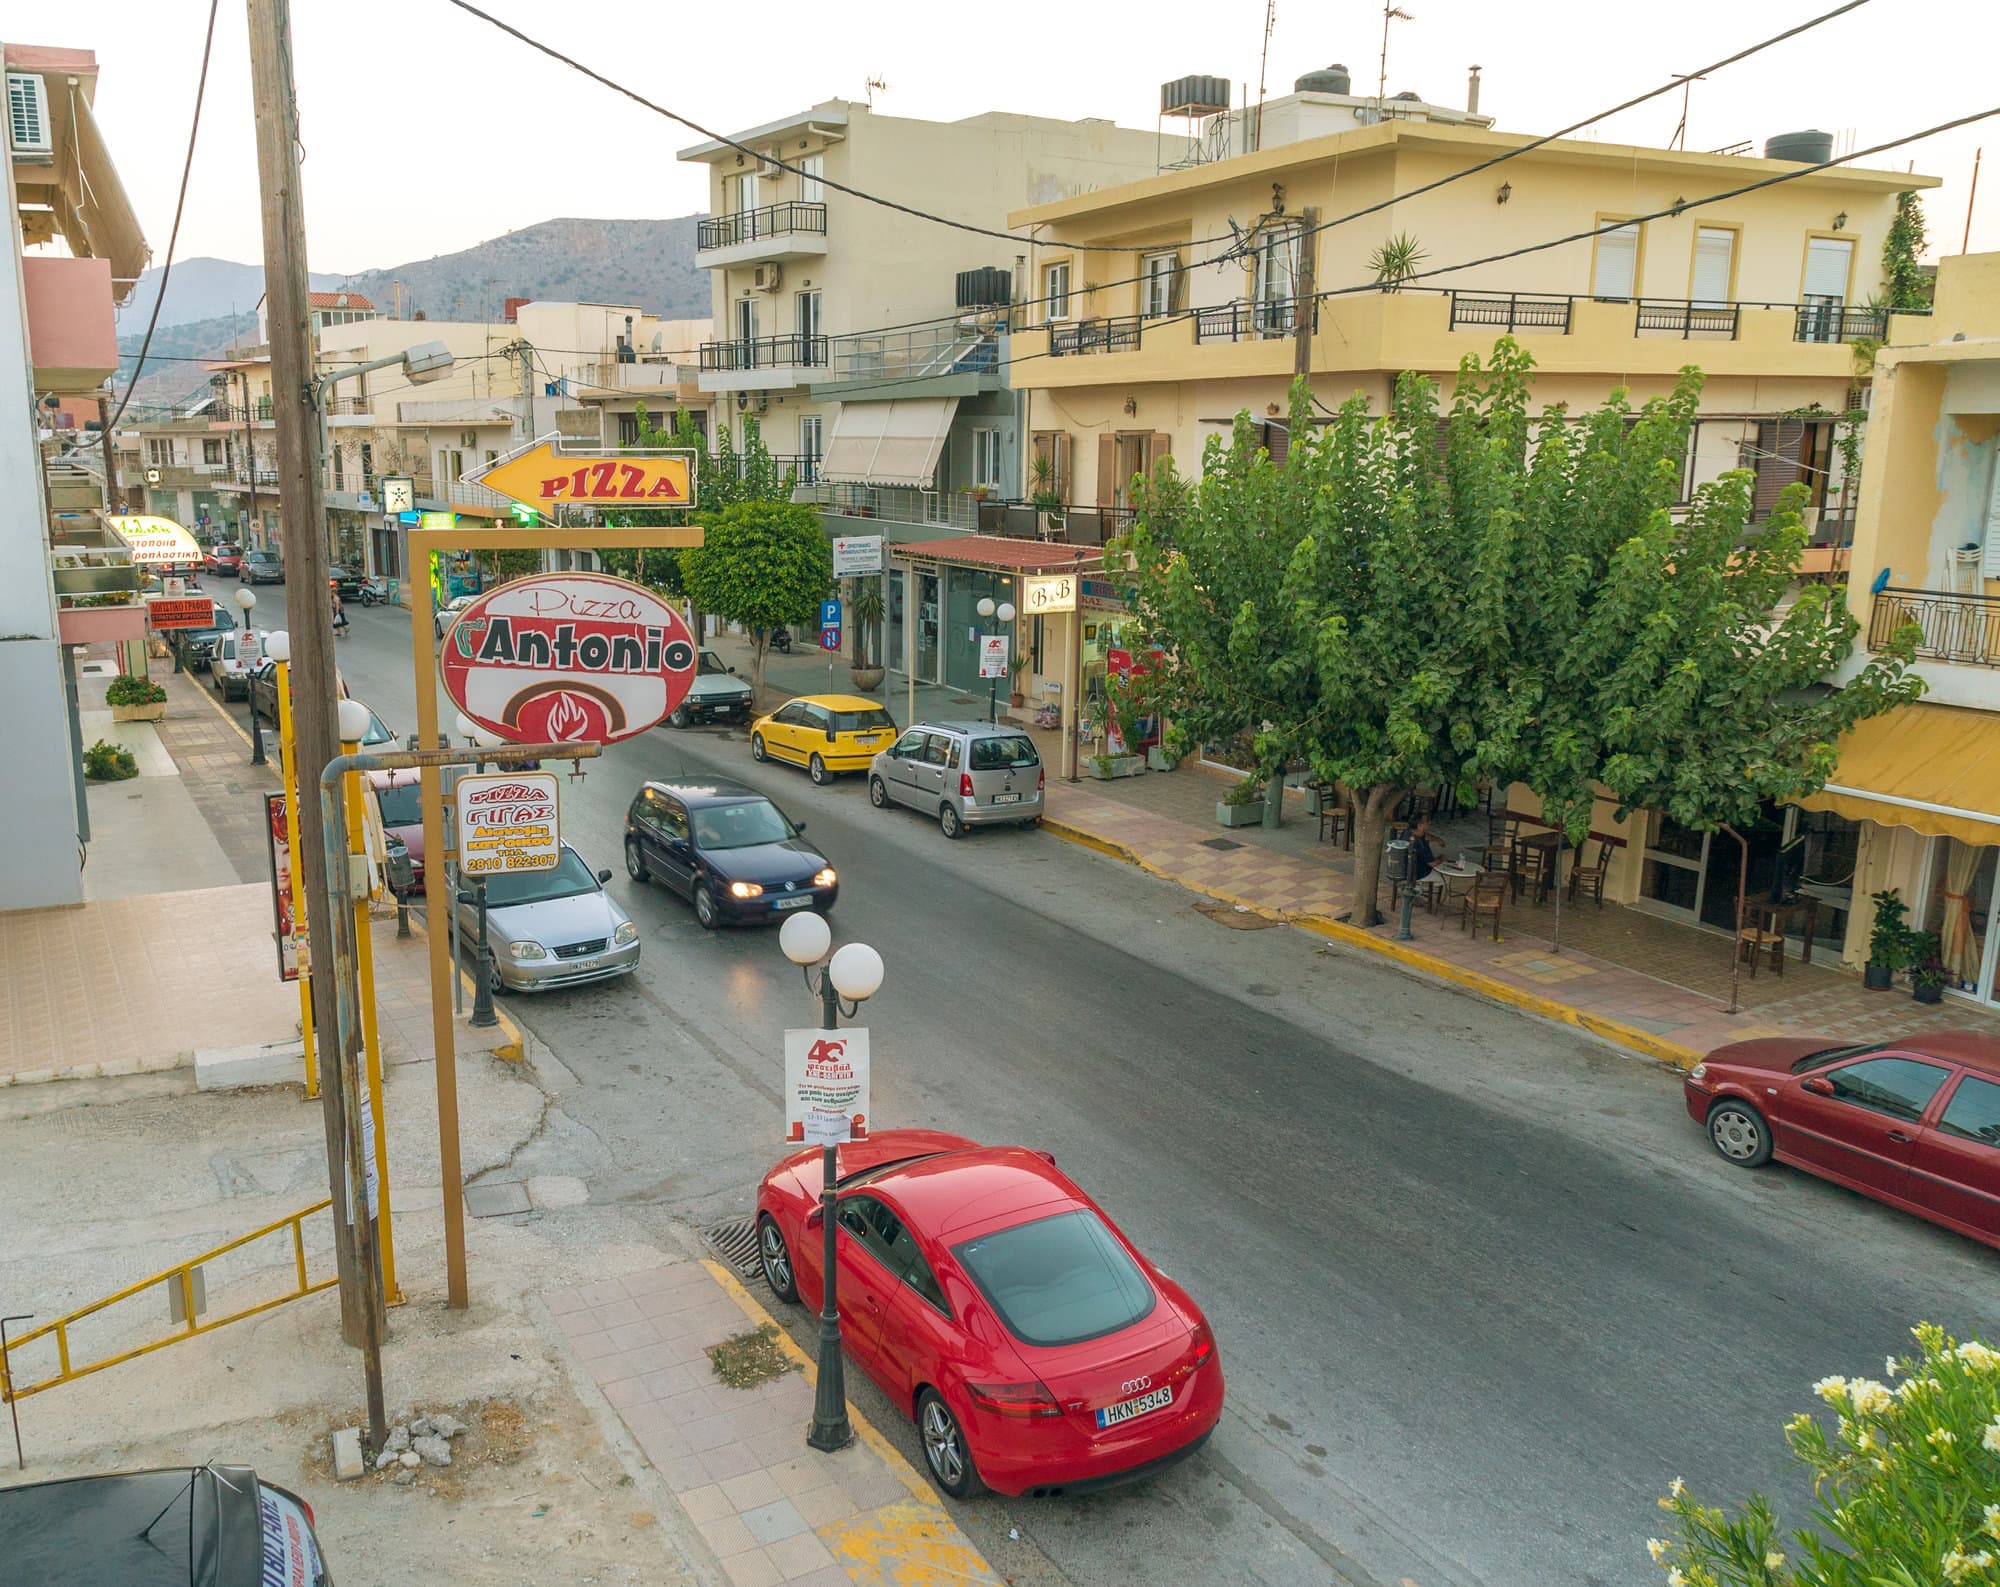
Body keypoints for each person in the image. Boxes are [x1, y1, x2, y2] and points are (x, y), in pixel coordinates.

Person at [1396, 811, 1436, 941]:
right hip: (1418, 872)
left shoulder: (1407, 833)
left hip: (1404, 869)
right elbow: (1433, 863)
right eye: (1426, 822)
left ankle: (1413, 891)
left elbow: (1427, 835)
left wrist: (1437, 839)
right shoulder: (1419, 843)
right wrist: (1443, 858)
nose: (1429, 824)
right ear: (1420, 825)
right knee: (1443, 877)